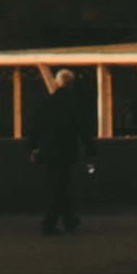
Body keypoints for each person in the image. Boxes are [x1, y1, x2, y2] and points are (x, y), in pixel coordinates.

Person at [32, 66, 93, 235]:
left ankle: (69, 219)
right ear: (71, 84)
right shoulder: (76, 104)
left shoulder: (44, 102)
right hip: (66, 151)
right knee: (60, 186)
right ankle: (49, 223)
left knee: (57, 185)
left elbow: (35, 128)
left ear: (57, 82)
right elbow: (83, 130)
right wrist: (90, 151)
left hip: (47, 150)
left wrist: (32, 148)